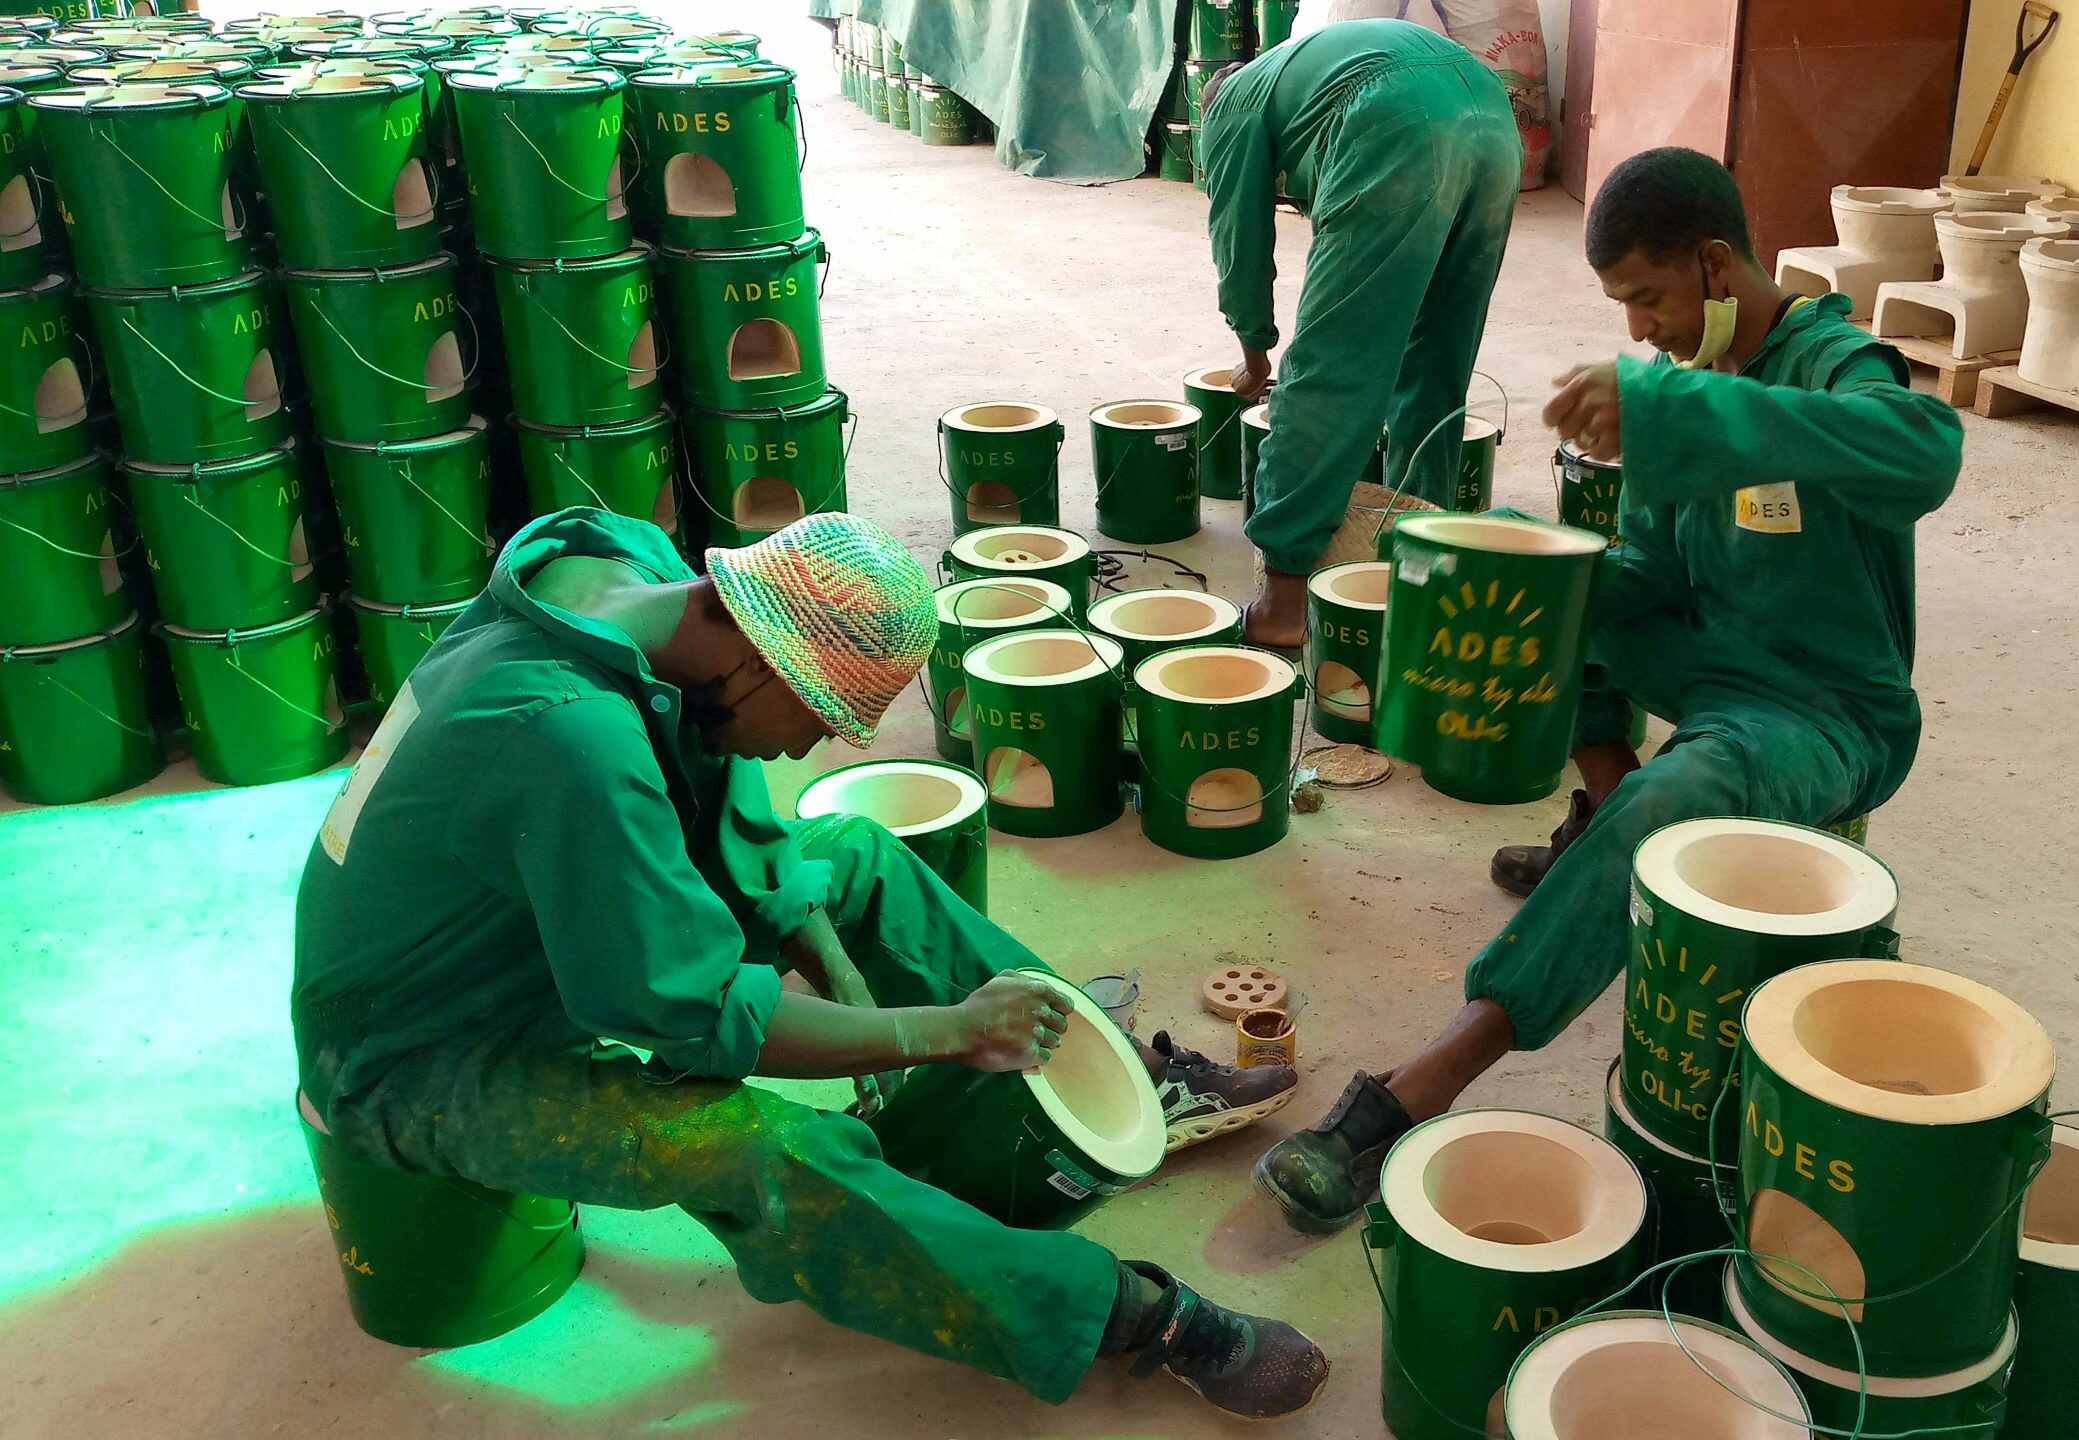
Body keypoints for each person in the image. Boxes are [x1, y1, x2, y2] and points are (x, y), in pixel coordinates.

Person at [292, 509, 1324, 1417]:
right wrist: (933, 1032)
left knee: (859, 861)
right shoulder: (565, 736)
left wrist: (850, 988)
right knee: (750, 1143)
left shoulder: (627, 576)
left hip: (521, 931)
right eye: (818, 720)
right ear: (752, 655)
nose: (809, 749)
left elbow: (731, 814)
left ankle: (1110, 1077)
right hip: (412, 1056)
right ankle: (1130, 1316)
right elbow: (689, 1015)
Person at [1251, 147, 1965, 1233]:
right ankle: (1605, 827)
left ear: (1717, 267)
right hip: (1708, 656)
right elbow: (1647, 583)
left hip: (1825, 709)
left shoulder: (1831, 361)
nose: (1639, 332)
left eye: (1648, 298)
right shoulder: (1680, 392)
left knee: (1680, 797)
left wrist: (1683, 418)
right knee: (1552, 611)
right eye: (1621, 307)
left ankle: (1423, 1081)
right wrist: (1510, 576)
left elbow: (1923, 456)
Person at [1198, 17, 1521, 648]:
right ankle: (1425, 567)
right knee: (1437, 364)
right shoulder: (1301, 71)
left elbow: (1238, 243)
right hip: (1492, 117)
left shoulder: (1230, 106)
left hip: (1394, 121)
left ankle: (1284, 606)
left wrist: (1254, 351)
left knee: (1330, 370)